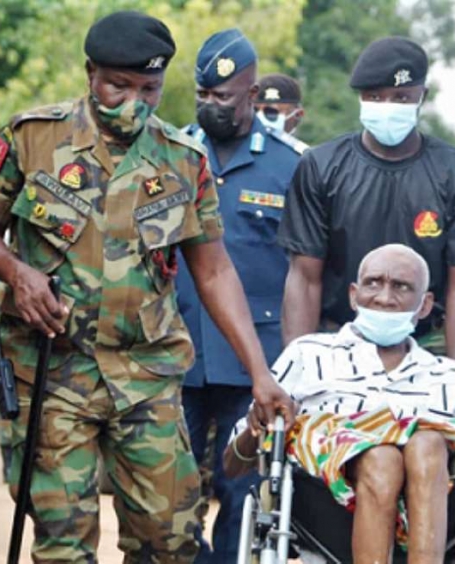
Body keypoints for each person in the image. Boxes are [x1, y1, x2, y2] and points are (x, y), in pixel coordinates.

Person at [0, 12, 294, 563]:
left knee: (170, 539)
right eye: (119, 85)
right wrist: (18, 273)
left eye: (149, 89)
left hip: (147, 374)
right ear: (90, 73)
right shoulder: (32, 137)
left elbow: (214, 271)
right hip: (53, 371)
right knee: (64, 544)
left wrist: (260, 373)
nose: (133, 102)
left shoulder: (183, 160)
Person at [226, 244, 455, 564]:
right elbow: (233, 463)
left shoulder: (451, 376)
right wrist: (259, 423)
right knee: (381, 457)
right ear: (353, 295)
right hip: (325, 511)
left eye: (402, 286)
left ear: (425, 305)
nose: (385, 297)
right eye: (373, 283)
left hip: (433, 505)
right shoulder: (308, 355)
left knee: (428, 443)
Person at [278, 37, 455, 368]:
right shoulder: (320, 168)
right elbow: (305, 279)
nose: (388, 106)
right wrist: (300, 369)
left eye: (401, 97)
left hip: (426, 346)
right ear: (361, 98)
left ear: (422, 97)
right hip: (338, 342)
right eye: (375, 97)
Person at [175, 29, 306, 564]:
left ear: (252, 95)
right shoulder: (171, 154)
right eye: (203, 95)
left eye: (223, 97)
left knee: (245, 498)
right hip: (177, 353)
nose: (211, 105)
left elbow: (305, 269)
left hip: (255, 361)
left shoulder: (291, 165)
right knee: (170, 497)